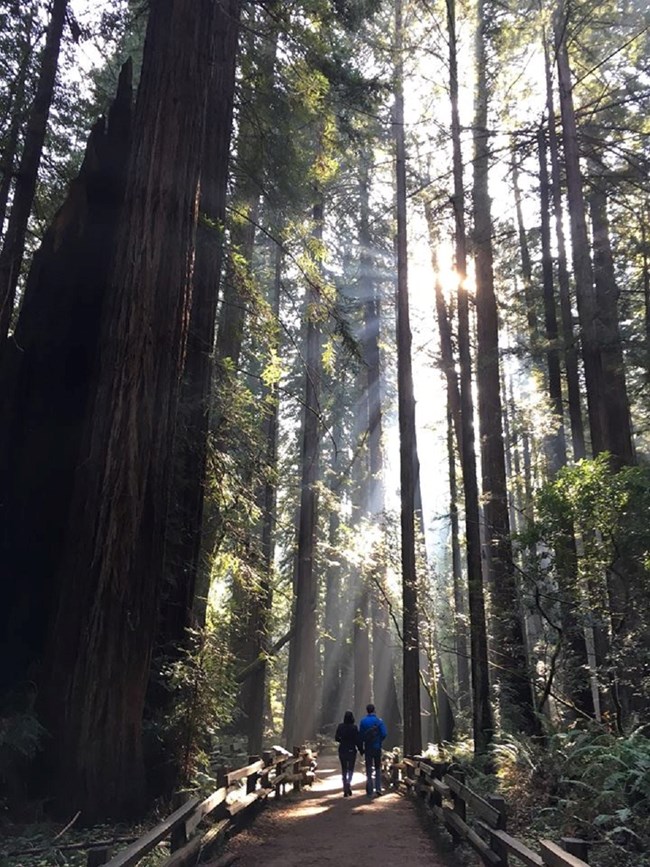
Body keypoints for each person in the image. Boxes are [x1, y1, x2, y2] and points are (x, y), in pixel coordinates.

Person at [358, 703, 387, 797]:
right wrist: (379, 741)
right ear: (374, 710)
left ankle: (370, 789)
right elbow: (384, 733)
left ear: (367, 711)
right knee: (378, 768)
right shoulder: (379, 721)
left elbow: (361, 735)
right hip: (377, 747)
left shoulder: (363, 721)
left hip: (368, 748)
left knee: (369, 768)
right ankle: (378, 788)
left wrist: (364, 744)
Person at [335, 710, 359, 797]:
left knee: (344, 769)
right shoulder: (354, 727)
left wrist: (342, 740)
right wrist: (361, 749)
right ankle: (349, 782)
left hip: (342, 749)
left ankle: (345, 786)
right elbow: (357, 740)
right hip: (352, 750)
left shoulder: (340, 727)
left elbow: (336, 738)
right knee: (351, 769)